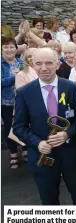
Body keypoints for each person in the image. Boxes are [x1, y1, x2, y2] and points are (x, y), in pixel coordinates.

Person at [13, 48, 76, 205]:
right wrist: (37, 143)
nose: (44, 68)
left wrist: (67, 133)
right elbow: (19, 127)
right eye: (39, 63)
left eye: (48, 63)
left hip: (71, 154)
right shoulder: (24, 92)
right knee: (49, 201)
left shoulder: (72, 88)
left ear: (57, 64)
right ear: (32, 65)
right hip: (42, 156)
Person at [2, 36, 24, 168]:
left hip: (21, 101)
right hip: (6, 102)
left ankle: (25, 149)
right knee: (9, 127)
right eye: (6, 47)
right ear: (1, 49)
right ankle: (14, 153)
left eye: (12, 47)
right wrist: (14, 77)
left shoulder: (21, 63)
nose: (9, 49)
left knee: (24, 124)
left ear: (16, 49)